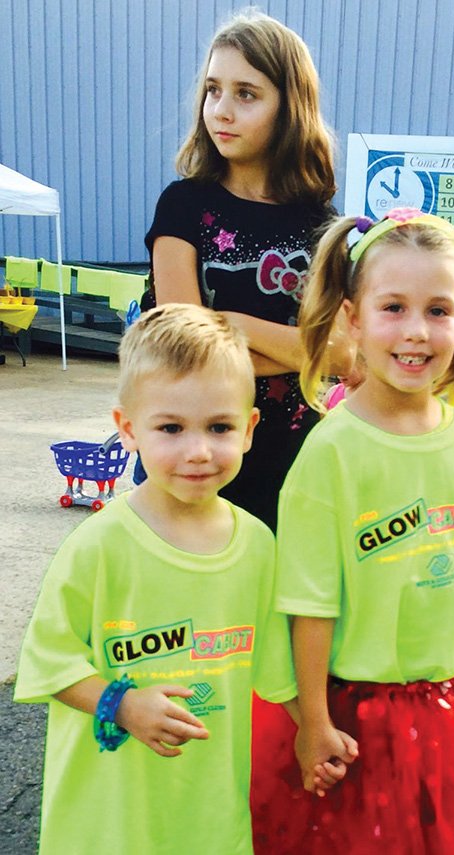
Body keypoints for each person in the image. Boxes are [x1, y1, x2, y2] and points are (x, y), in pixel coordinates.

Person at [252, 208, 454, 854]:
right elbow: (309, 606)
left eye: (437, 310)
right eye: (393, 307)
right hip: (361, 719)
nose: (416, 331)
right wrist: (313, 720)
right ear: (353, 316)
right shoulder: (333, 453)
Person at [13, 305, 352, 854]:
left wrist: (315, 731)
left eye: (219, 427)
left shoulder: (258, 546)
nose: (198, 451)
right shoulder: (100, 545)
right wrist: (122, 703)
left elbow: (276, 671)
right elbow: (47, 664)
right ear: (128, 429)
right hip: (109, 824)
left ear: (249, 429)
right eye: (171, 428)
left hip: (210, 818)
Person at [145, 10, 353, 530]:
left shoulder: (321, 223)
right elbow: (184, 350)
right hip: (198, 458)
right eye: (213, 90)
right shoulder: (183, 206)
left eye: (246, 93)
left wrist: (229, 325)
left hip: (297, 461)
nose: (222, 110)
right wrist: (299, 351)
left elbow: (344, 353)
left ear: (289, 106)